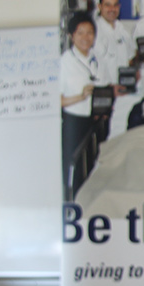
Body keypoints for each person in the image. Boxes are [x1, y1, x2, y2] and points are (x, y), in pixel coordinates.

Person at [60, 12, 111, 198]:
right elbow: (56, 100)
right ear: (72, 36)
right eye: (80, 33)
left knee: (93, 167)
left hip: (96, 121)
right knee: (73, 169)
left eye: (90, 33)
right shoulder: (64, 62)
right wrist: (80, 97)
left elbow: (105, 85)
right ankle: (72, 202)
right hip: (74, 122)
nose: (85, 37)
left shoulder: (98, 59)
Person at [92, 0, 136, 86]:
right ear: (99, 7)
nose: (112, 9)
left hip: (123, 87)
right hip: (103, 89)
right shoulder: (93, 31)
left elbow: (130, 59)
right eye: (107, 5)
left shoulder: (124, 30)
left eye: (115, 5)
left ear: (119, 7)